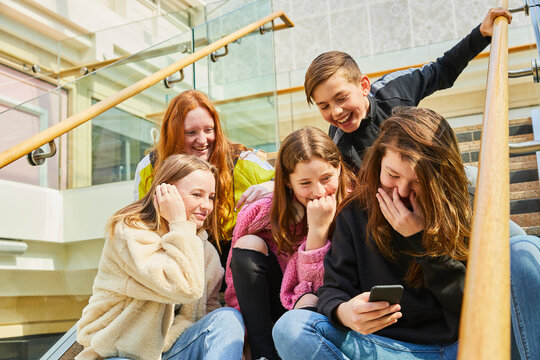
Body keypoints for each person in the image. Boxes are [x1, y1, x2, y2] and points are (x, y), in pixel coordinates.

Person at [272, 107, 540, 360]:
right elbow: (333, 289)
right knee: (291, 328)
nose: (400, 191)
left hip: (472, 342)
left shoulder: (468, 206)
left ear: (440, 180)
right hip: (391, 349)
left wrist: (422, 242)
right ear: (378, 163)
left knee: (524, 249)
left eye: (416, 182)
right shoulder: (354, 213)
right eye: (392, 175)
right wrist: (344, 312)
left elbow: (480, 308)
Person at [76, 154, 244, 360]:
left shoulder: (203, 249)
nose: (207, 206)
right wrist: (178, 221)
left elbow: (207, 310)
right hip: (119, 352)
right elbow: (185, 288)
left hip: (173, 349)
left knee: (227, 318)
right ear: (166, 192)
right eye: (197, 194)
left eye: (210, 197)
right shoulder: (130, 232)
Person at [304, 7, 512, 172]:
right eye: (324, 106)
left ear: (364, 86)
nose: (336, 112)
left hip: (435, 172)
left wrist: (481, 35)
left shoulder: (394, 89)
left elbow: (442, 70)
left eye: (341, 98)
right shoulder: (338, 143)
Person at [224, 127, 352, 360]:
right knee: (247, 243)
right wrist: (241, 330)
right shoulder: (261, 212)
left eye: (326, 178)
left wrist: (318, 231)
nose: (319, 191)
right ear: (288, 182)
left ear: (339, 169)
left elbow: (314, 288)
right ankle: (263, 354)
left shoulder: (353, 209)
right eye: (305, 183)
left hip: (327, 306)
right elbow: (235, 279)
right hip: (278, 301)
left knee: (308, 298)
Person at [133, 90, 275, 258]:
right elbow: (142, 222)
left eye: (208, 130)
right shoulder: (150, 166)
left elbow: (287, 182)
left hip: (232, 256)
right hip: (175, 253)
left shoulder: (240, 161)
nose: (202, 140)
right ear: (173, 133)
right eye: (191, 132)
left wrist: (271, 185)